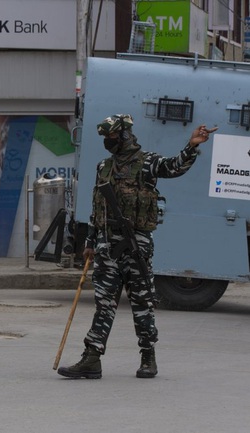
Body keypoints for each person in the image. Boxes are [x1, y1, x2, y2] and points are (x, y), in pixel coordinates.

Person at [57, 114, 218, 379]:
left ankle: (148, 357)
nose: (108, 142)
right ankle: (92, 358)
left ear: (124, 136)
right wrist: (89, 242)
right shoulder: (103, 167)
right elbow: (98, 207)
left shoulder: (147, 163)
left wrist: (191, 146)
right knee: (104, 303)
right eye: (105, 138)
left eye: (111, 137)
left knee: (141, 302)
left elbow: (173, 167)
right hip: (107, 245)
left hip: (137, 246)